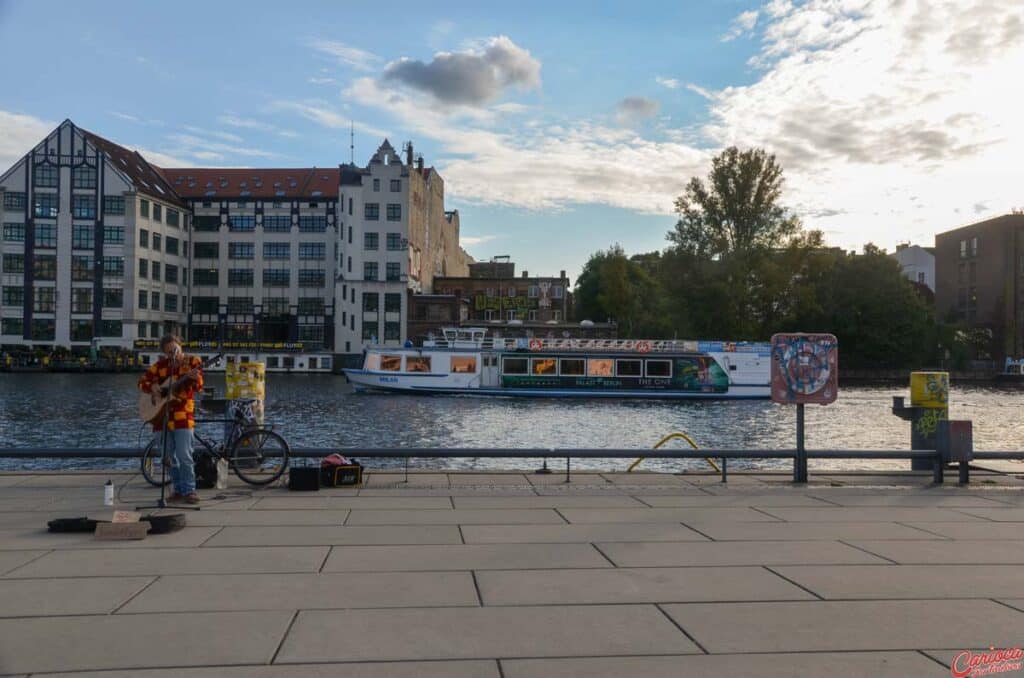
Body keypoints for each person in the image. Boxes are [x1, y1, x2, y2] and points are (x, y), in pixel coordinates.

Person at [138, 334, 205, 504]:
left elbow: (199, 386)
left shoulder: (192, 362)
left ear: (180, 346)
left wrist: (194, 377)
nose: (172, 354)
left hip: (183, 416)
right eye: (169, 352)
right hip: (161, 418)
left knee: (184, 455)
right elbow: (141, 382)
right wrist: (153, 387)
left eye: (175, 350)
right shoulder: (160, 366)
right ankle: (177, 490)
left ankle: (189, 490)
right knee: (168, 457)